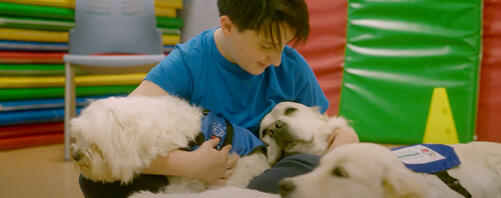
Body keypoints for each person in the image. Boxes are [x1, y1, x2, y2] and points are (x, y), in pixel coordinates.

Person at [79, 0, 359, 197]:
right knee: (98, 180)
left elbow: (335, 131)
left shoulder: (291, 67)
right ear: (228, 26)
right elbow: (112, 142)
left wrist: (340, 152)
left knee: (304, 168)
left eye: (283, 45)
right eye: (266, 46)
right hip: (192, 177)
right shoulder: (187, 63)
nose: (276, 59)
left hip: (265, 176)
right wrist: (188, 165)